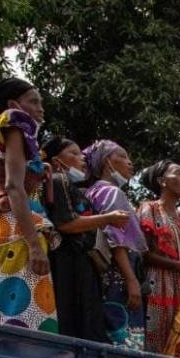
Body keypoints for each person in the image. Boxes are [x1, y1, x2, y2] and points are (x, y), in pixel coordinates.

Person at [0, 77, 58, 333]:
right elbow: (13, 186)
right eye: (33, 102)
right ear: (13, 105)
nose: (41, 109)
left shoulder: (5, 137)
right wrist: (34, 244)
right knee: (21, 310)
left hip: (1, 226)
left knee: (3, 304)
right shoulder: (14, 122)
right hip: (13, 226)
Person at [41, 137, 129, 343]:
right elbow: (66, 223)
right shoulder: (58, 181)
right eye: (73, 153)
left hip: (81, 264)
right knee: (73, 321)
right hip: (68, 263)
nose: (81, 158)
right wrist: (108, 218)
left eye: (81, 154)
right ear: (56, 161)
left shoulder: (75, 189)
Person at [84, 139, 147, 350]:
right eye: (122, 156)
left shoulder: (92, 191)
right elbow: (116, 240)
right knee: (125, 338)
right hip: (119, 275)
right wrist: (131, 280)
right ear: (106, 161)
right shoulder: (112, 192)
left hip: (103, 274)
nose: (129, 162)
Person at [138, 160, 180, 352]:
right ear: (161, 181)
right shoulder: (149, 209)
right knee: (155, 335)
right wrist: (177, 265)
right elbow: (143, 252)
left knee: (178, 338)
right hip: (157, 282)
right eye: (178, 173)